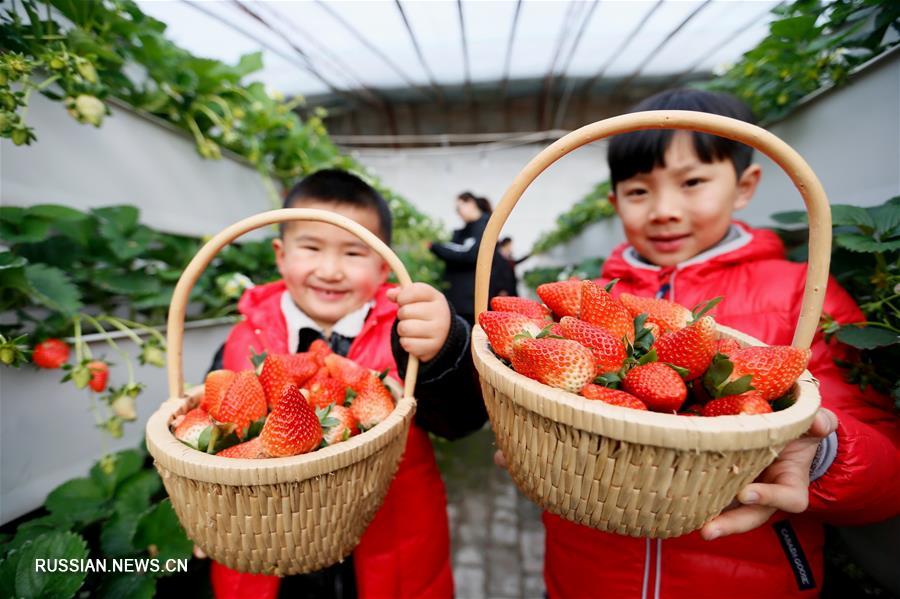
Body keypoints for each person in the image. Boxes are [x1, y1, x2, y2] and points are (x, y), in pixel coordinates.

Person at [500, 89, 900, 598]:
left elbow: (887, 474)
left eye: (692, 182)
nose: (664, 210)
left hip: (750, 573)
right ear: (615, 200)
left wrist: (821, 451)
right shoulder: (592, 303)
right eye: (639, 191)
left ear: (745, 185)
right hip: (590, 570)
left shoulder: (802, 293)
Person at [208, 169, 487, 599]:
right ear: (281, 255)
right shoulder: (245, 337)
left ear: (382, 262)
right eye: (311, 247)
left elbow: (459, 421)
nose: (330, 270)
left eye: (354, 253)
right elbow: (216, 440)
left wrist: (445, 347)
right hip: (267, 546)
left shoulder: (406, 331)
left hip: (390, 542)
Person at [430, 192, 516, 324]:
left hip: (470, 302)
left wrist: (436, 247)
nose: (458, 213)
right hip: (462, 301)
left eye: (458, 208)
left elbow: (470, 254)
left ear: (470, 203)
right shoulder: (467, 231)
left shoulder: (484, 227)